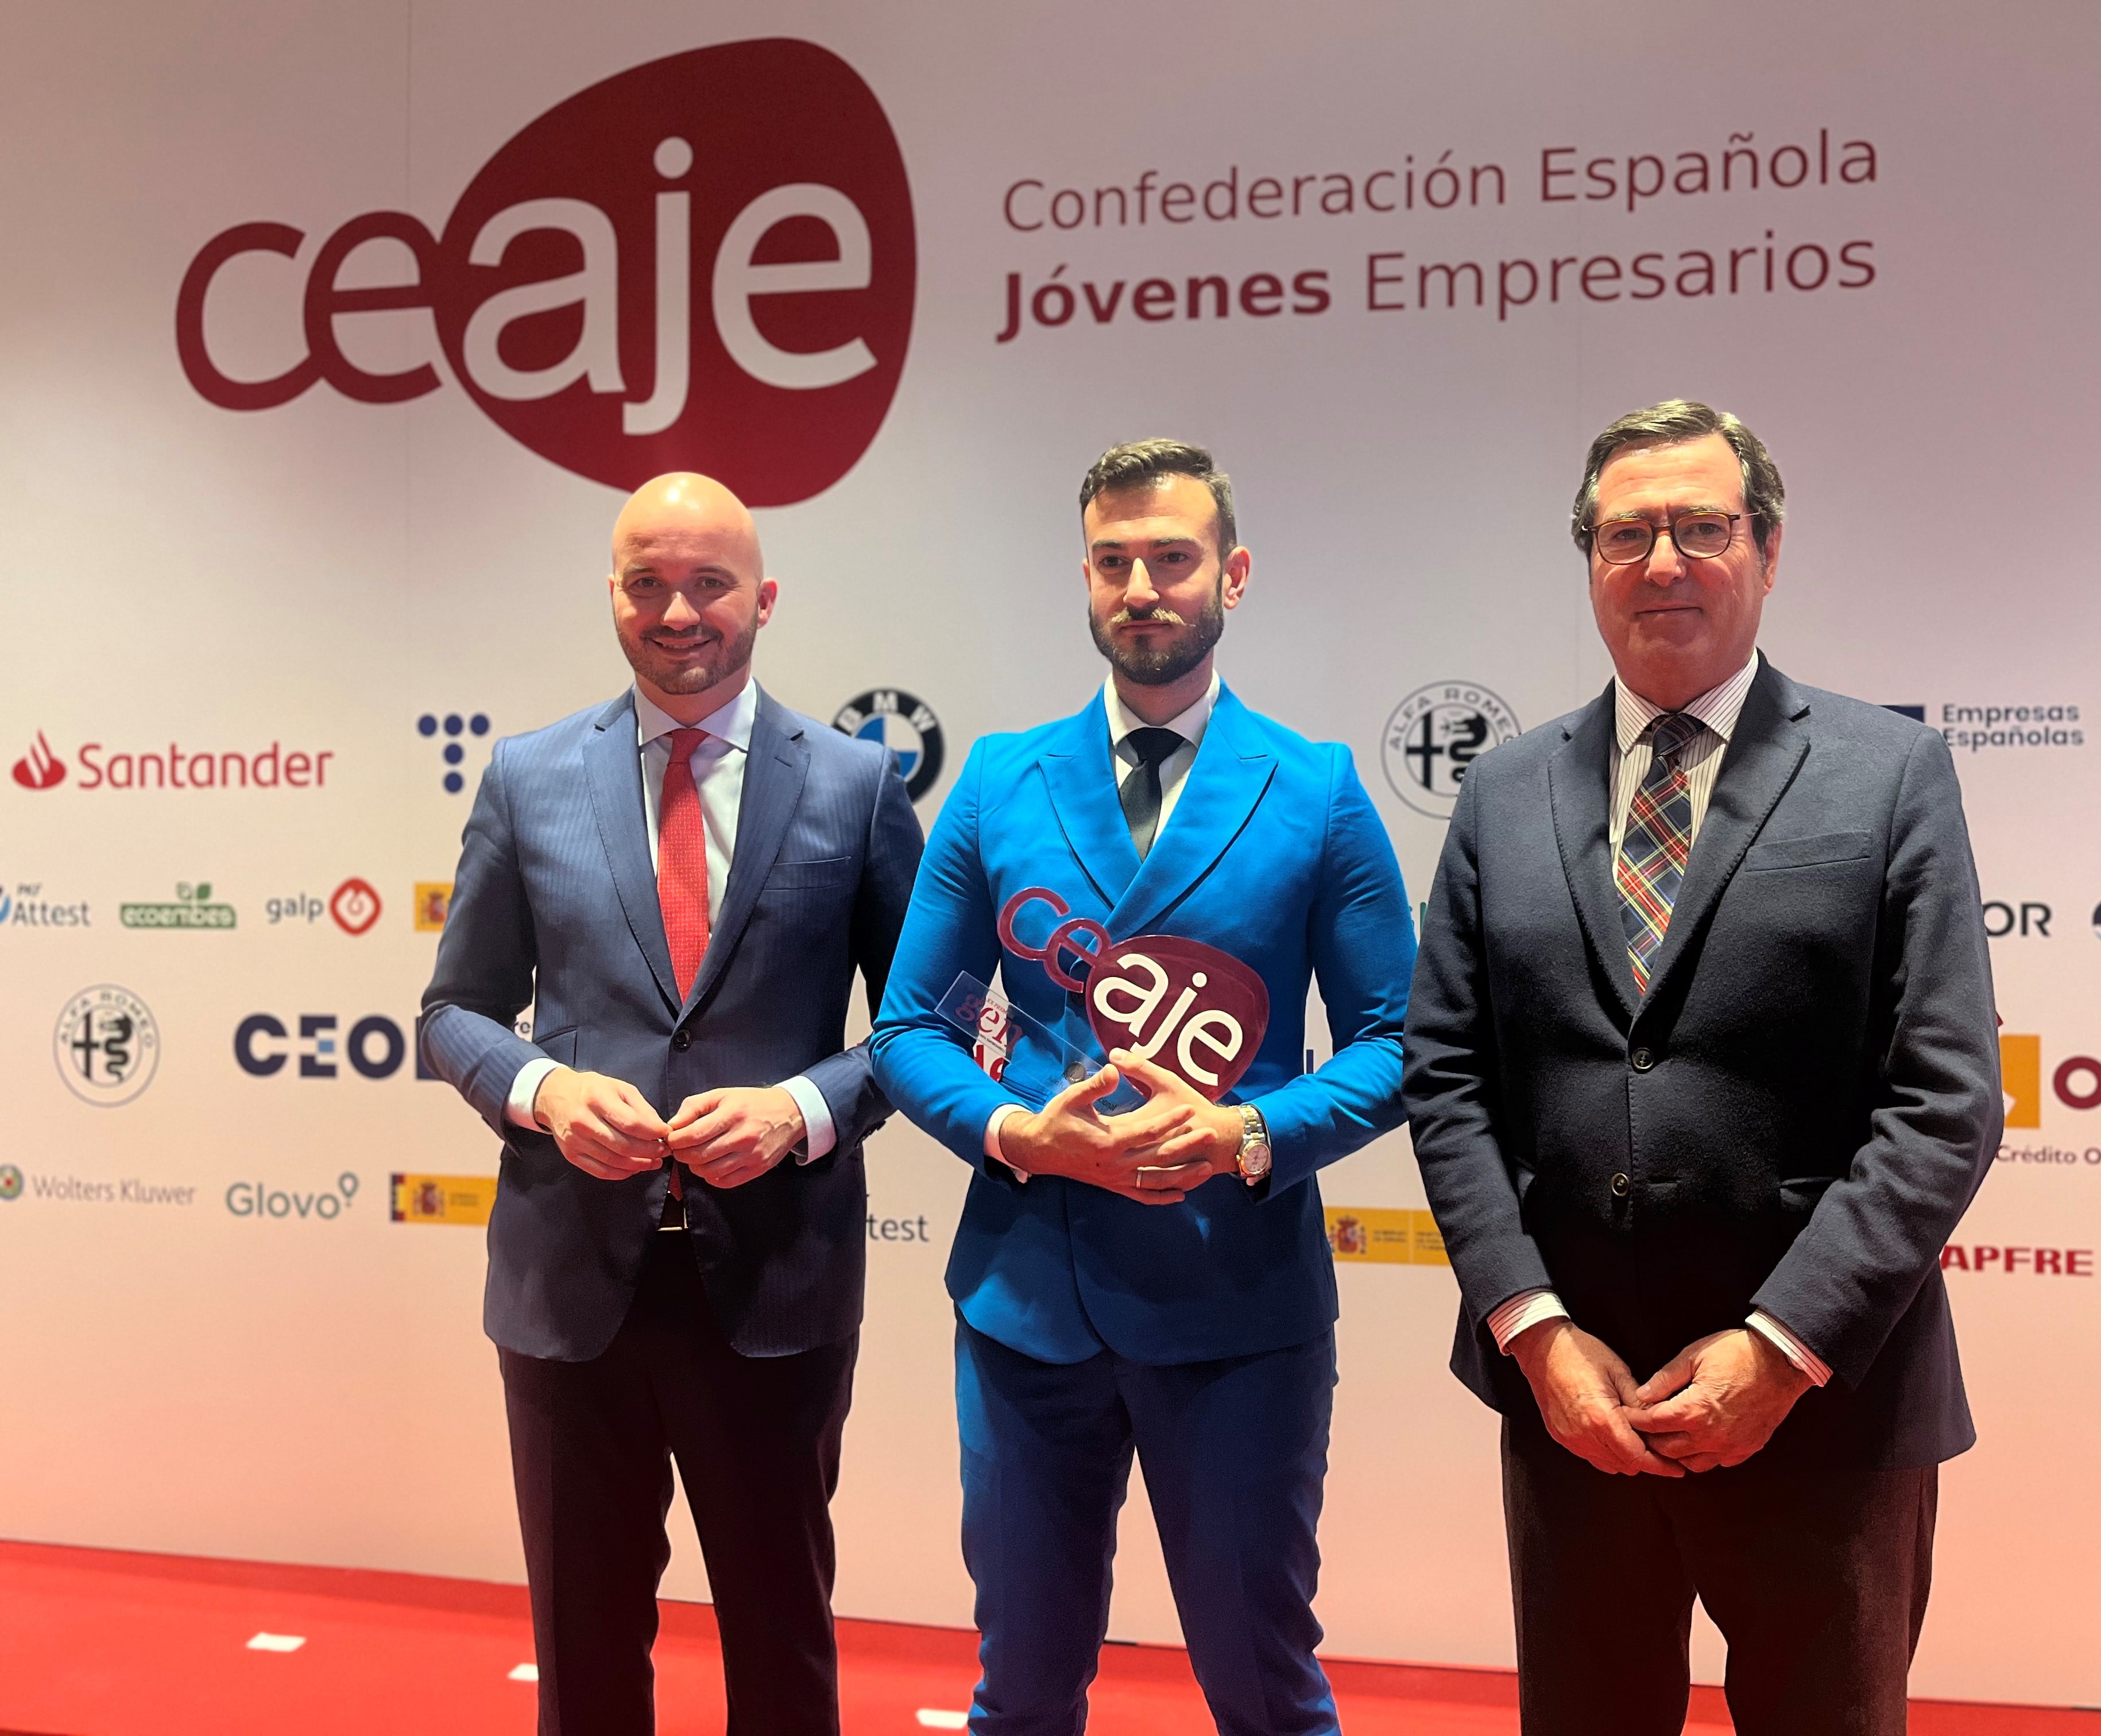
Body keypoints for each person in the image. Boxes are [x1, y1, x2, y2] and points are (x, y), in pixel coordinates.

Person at [1403, 402, 2002, 1735]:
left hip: (1823, 1416)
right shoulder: (1504, 791)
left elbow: (1947, 1100)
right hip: (1580, 1413)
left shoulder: (1890, 774)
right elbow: (1445, 1076)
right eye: (1627, 533)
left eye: (1701, 527)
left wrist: (1781, 1352)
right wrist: (1533, 1331)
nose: (1662, 560)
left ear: (1769, 551)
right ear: (1591, 559)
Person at [869, 439, 1415, 1736]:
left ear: (1232, 574)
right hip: (1024, 1312)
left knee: (1264, 1687)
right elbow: (908, 1029)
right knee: (1024, 1692)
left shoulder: (1319, 790)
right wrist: (1016, 1132)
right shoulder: (1001, 780)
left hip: (1236, 1312)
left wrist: (1247, 1129)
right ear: (1086, 578)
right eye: (1113, 562)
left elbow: (1403, 1043)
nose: (1142, 587)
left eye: (1172, 559)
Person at [416, 472, 923, 1736]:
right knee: (583, 1658)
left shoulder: (859, 787)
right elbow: (453, 1011)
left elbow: (933, 1023)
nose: (678, 609)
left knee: (782, 1647)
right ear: (614, 595)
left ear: (764, 595)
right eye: (648, 582)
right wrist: (538, 1088)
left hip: (777, 1285)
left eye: (707, 582)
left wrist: (803, 1109)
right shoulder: (528, 779)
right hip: (569, 1284)